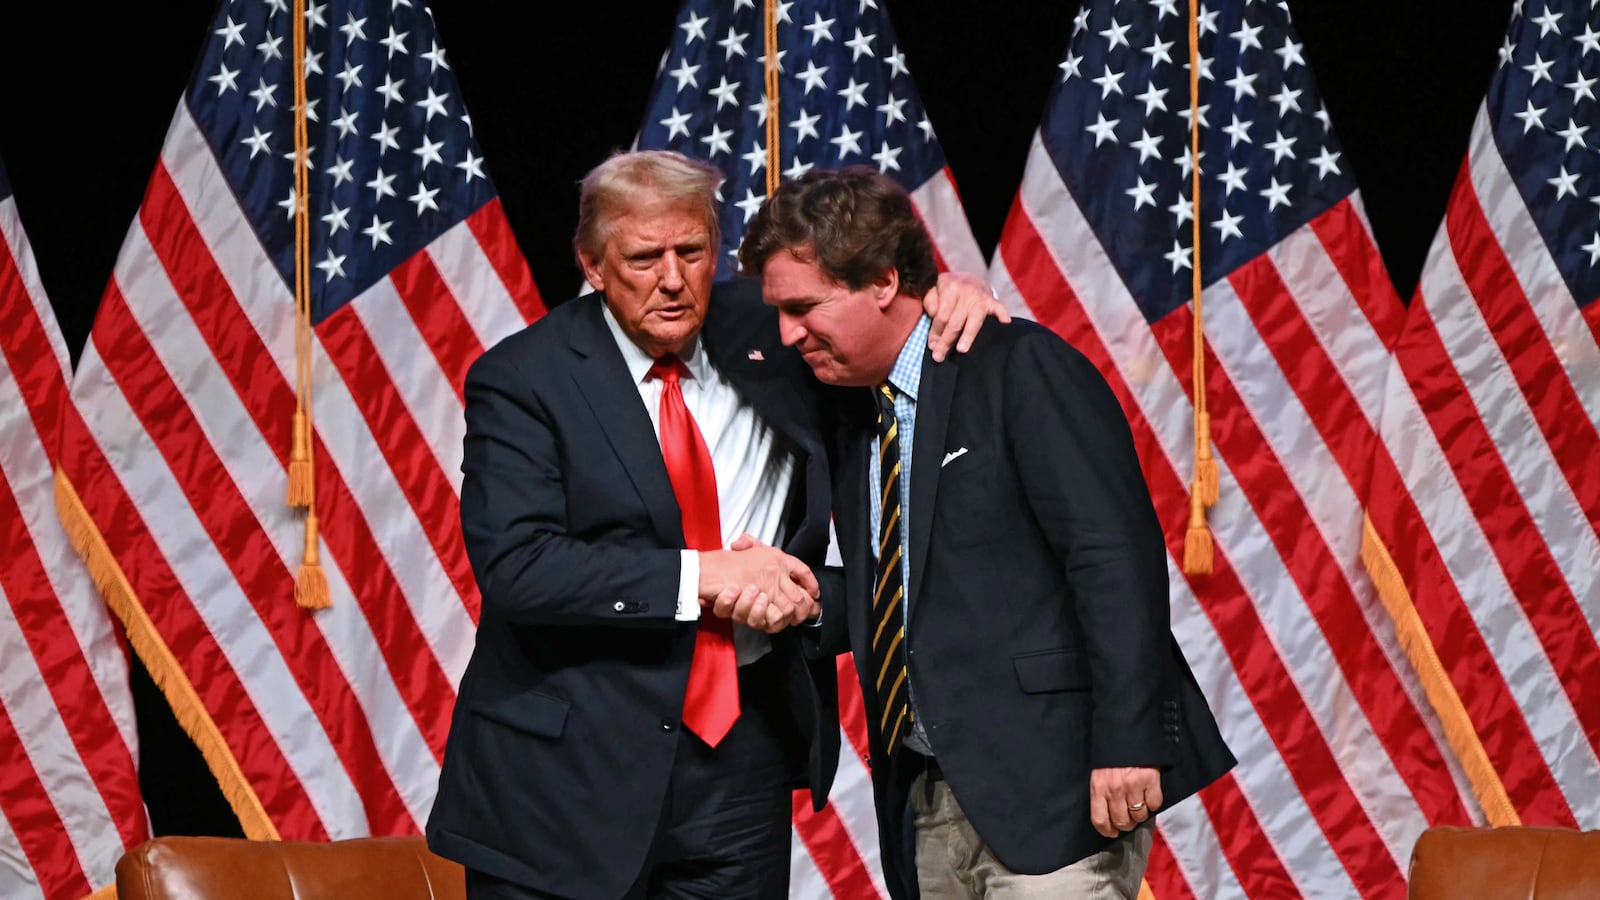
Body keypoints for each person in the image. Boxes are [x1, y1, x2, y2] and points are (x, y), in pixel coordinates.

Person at [426, 150, 1004, 900]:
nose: (673, 279)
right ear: (593, 264)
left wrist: (947, 296)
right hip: (563, 781)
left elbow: (871, 310)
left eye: (691, 252)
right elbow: (520, 567)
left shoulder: (777, 333)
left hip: (740, 767)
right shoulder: (524, 378)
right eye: (643, 258)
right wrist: (706, 577)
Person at [739, 166, 1236, 900]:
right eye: (778, 308)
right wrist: (812, 601)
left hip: (1057, 785)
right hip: (927, 794)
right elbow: (917, 585)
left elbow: (1113, 560)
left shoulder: (1018, 367)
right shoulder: (851, 405)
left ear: (881, 282)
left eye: (804, 306)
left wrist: (1130, 743)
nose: (786, 332)